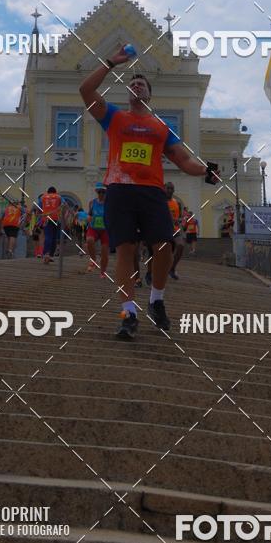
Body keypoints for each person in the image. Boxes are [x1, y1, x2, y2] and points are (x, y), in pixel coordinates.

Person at [79, 48, 207, 339]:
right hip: (120, 191)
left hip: (151, 193)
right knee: (125, 250)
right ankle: (129, 314)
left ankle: (156, 300)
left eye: (142, 84)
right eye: (132, 84)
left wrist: (207, 170)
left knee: (164, 247)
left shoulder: (161, 127)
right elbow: (85, 89)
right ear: (128, 93)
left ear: (149, 95)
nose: (136, 85)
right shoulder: (113, 117)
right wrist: (111, 62)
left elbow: (184, 160)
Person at [86, 184, 109, 278]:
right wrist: (88, 218)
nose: (101, 194)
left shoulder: (109, 203)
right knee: (89, 240)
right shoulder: (92, 203)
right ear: (97, 193)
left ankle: (103, 271)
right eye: (99, 192)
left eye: (103, 192)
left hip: (105, 230)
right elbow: (90, 215)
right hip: (94, 228)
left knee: (104, 252)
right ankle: (93, 259)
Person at [165, 181, 185, 280]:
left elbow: (180, 217)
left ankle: (172, 269)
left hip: (175, 230)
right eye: (167, 188)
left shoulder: (176, 203)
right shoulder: (160, 202)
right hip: (163, 230)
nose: (169, 190)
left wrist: (180, 220)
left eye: (171, 188)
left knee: (181, 245)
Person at [39, 186, 61, 264]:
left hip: (46, 219)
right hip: (56, 219)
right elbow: (64, 205)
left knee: (48, 236)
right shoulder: (59, 197)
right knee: (54, 237)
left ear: (47, 192)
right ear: (55, 192)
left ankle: (46, 253)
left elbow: (39, 207)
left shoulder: (43, 197)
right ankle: (51, 255)